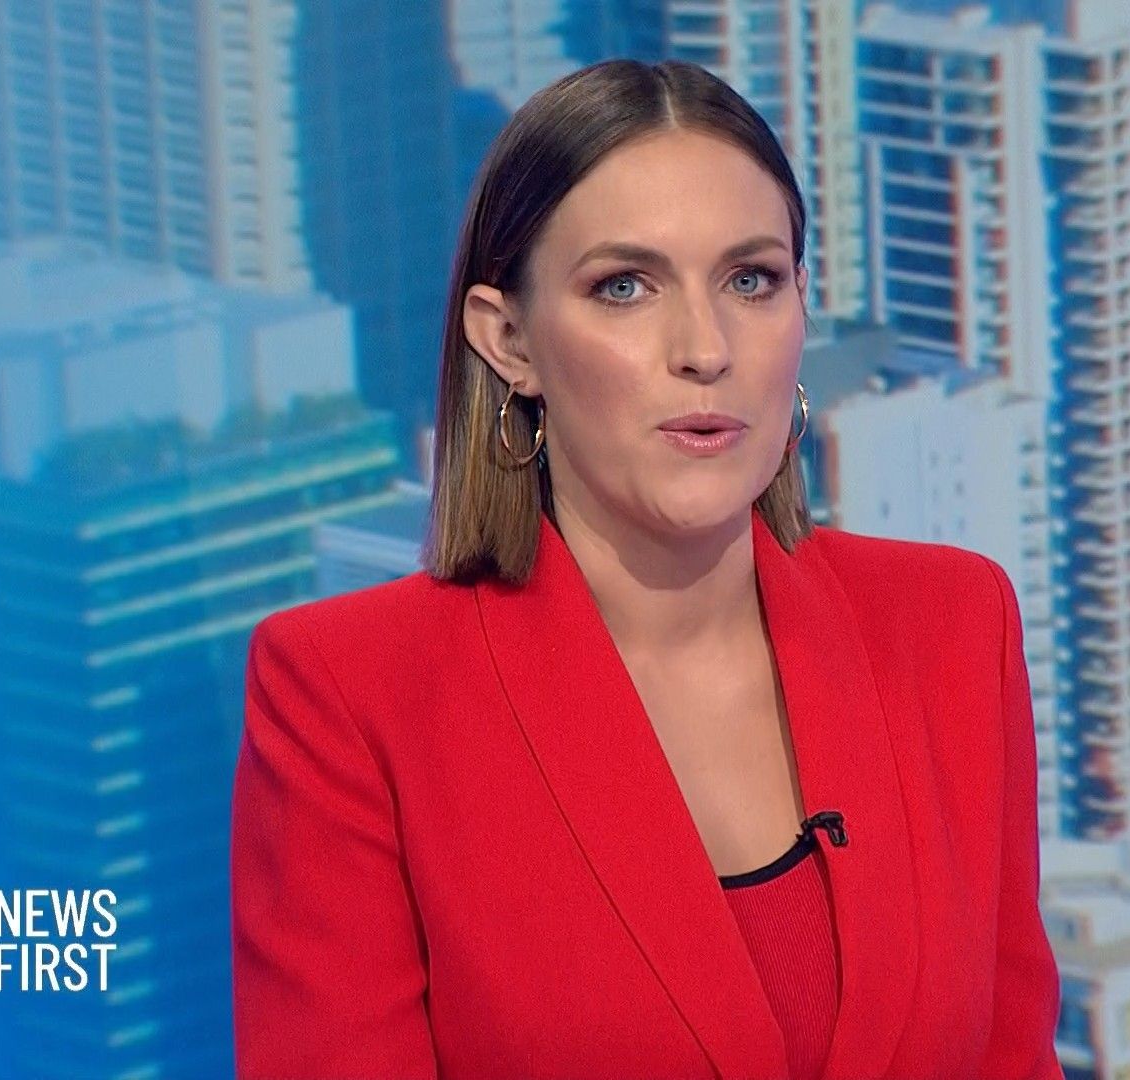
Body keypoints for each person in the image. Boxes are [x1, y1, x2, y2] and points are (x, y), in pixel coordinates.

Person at [231, 57, 1062, 1080]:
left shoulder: (951, 626)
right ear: (509, 341)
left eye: (750, 280)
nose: (705, 348)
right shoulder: (350, 696)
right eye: (623, 287)